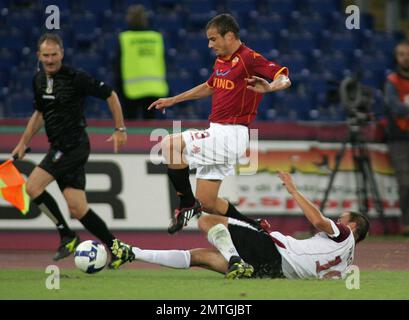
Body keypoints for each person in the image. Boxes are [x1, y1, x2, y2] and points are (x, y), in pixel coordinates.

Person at [148, 14, 291, 234]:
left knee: (169, 144)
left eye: (213, 39)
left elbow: (284, 78)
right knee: (208, 201)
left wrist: (270, 87)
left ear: (230, 36)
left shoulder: (249, 58)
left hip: (231, 134)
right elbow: (209, 86)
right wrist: (173, 100)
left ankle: (186, 204)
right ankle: (255, 227)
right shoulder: (222, 60)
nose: (209, 44)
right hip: (218, 132)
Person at [12, 33, 133, 268]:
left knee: (32, 187)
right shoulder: (38, 80)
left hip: (73, 146)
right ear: (38, 56)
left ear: (62, 54)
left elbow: (110, 94)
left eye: (54, 55)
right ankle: (118, 249)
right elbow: (39, 114)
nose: (49, 60)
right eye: (45, 55)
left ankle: (67, 236)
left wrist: (119, 128)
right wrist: (23, 142)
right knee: (78, 208)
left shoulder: (75, 78)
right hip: (58, 147)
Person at [113, 172, 370, 280]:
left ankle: (236, 259)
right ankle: (133, 252)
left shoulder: (345, 234)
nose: (337, 221)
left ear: (353, 225)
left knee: (207, 219)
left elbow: (317, 220)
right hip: (275, 272)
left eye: (341, 218)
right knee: (201, 258)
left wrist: (293, 189)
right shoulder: (346, 263)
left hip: (278, 252)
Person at [114, 4, 169, 120]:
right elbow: (164, 61)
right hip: (154, 88)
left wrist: (118, 87)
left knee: (131, 127)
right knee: (150, 129)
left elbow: (117, 65)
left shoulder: (124, 38)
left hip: (131, 89)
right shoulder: (156, 37)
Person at [384, 39, 409, 235]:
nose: (406, 57)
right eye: (401, 54)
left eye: (407, 53)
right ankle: (406, 224)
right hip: (399, 138)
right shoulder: (392, 81)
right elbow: (394, 108)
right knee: (405, 182)